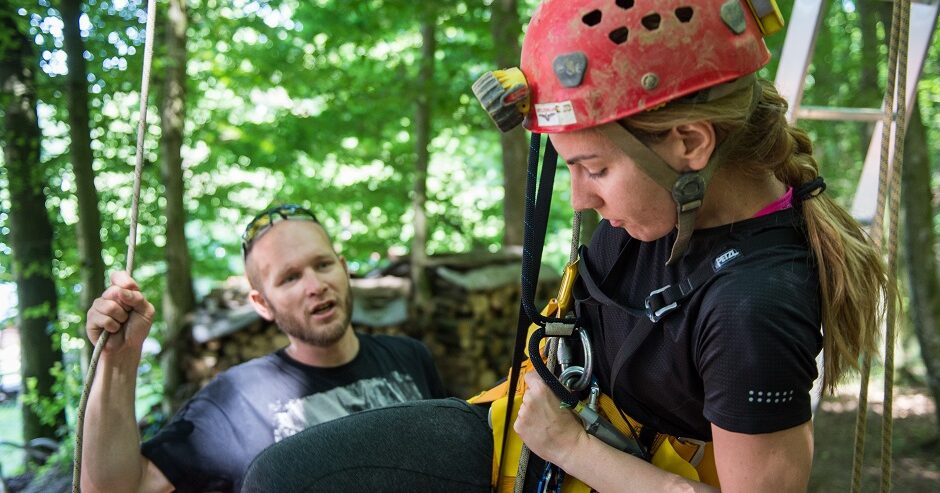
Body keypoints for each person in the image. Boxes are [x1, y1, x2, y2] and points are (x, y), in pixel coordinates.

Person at [243, 1, 888, 491]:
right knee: (282, 477)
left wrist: (574, 450)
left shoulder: (755, 306)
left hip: (583, 455)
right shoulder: (670, 200)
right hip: (540, 426)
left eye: (595, 169)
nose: (580, 199)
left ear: (691, 144)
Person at [81, 204, 445, 493]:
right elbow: (115, 489)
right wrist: (119, 359)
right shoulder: (234, 402)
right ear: (262, 304)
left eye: (323, 264)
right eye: (290, 278)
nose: (315, 285)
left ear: (344, 269)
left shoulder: (408, 356)